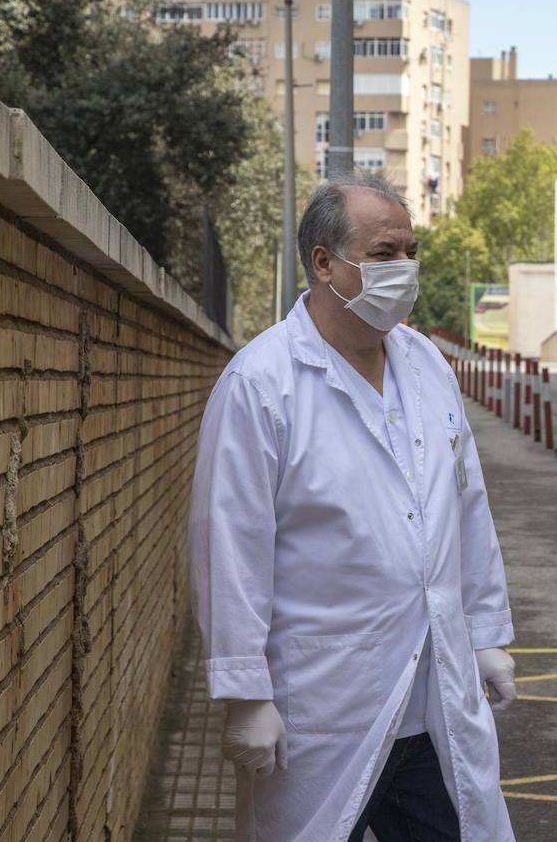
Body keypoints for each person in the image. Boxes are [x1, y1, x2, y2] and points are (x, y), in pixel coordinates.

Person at [189, 170, 517, 842]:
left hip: (432, 701)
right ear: (324, 263)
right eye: (384, 254)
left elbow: (466, 507)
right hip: (325, 707)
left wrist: (484, 634)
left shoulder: (425, 365)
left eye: (410, 252)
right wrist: (246, 695)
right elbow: (230, 544)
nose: (405, 268)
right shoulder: (261, 385)